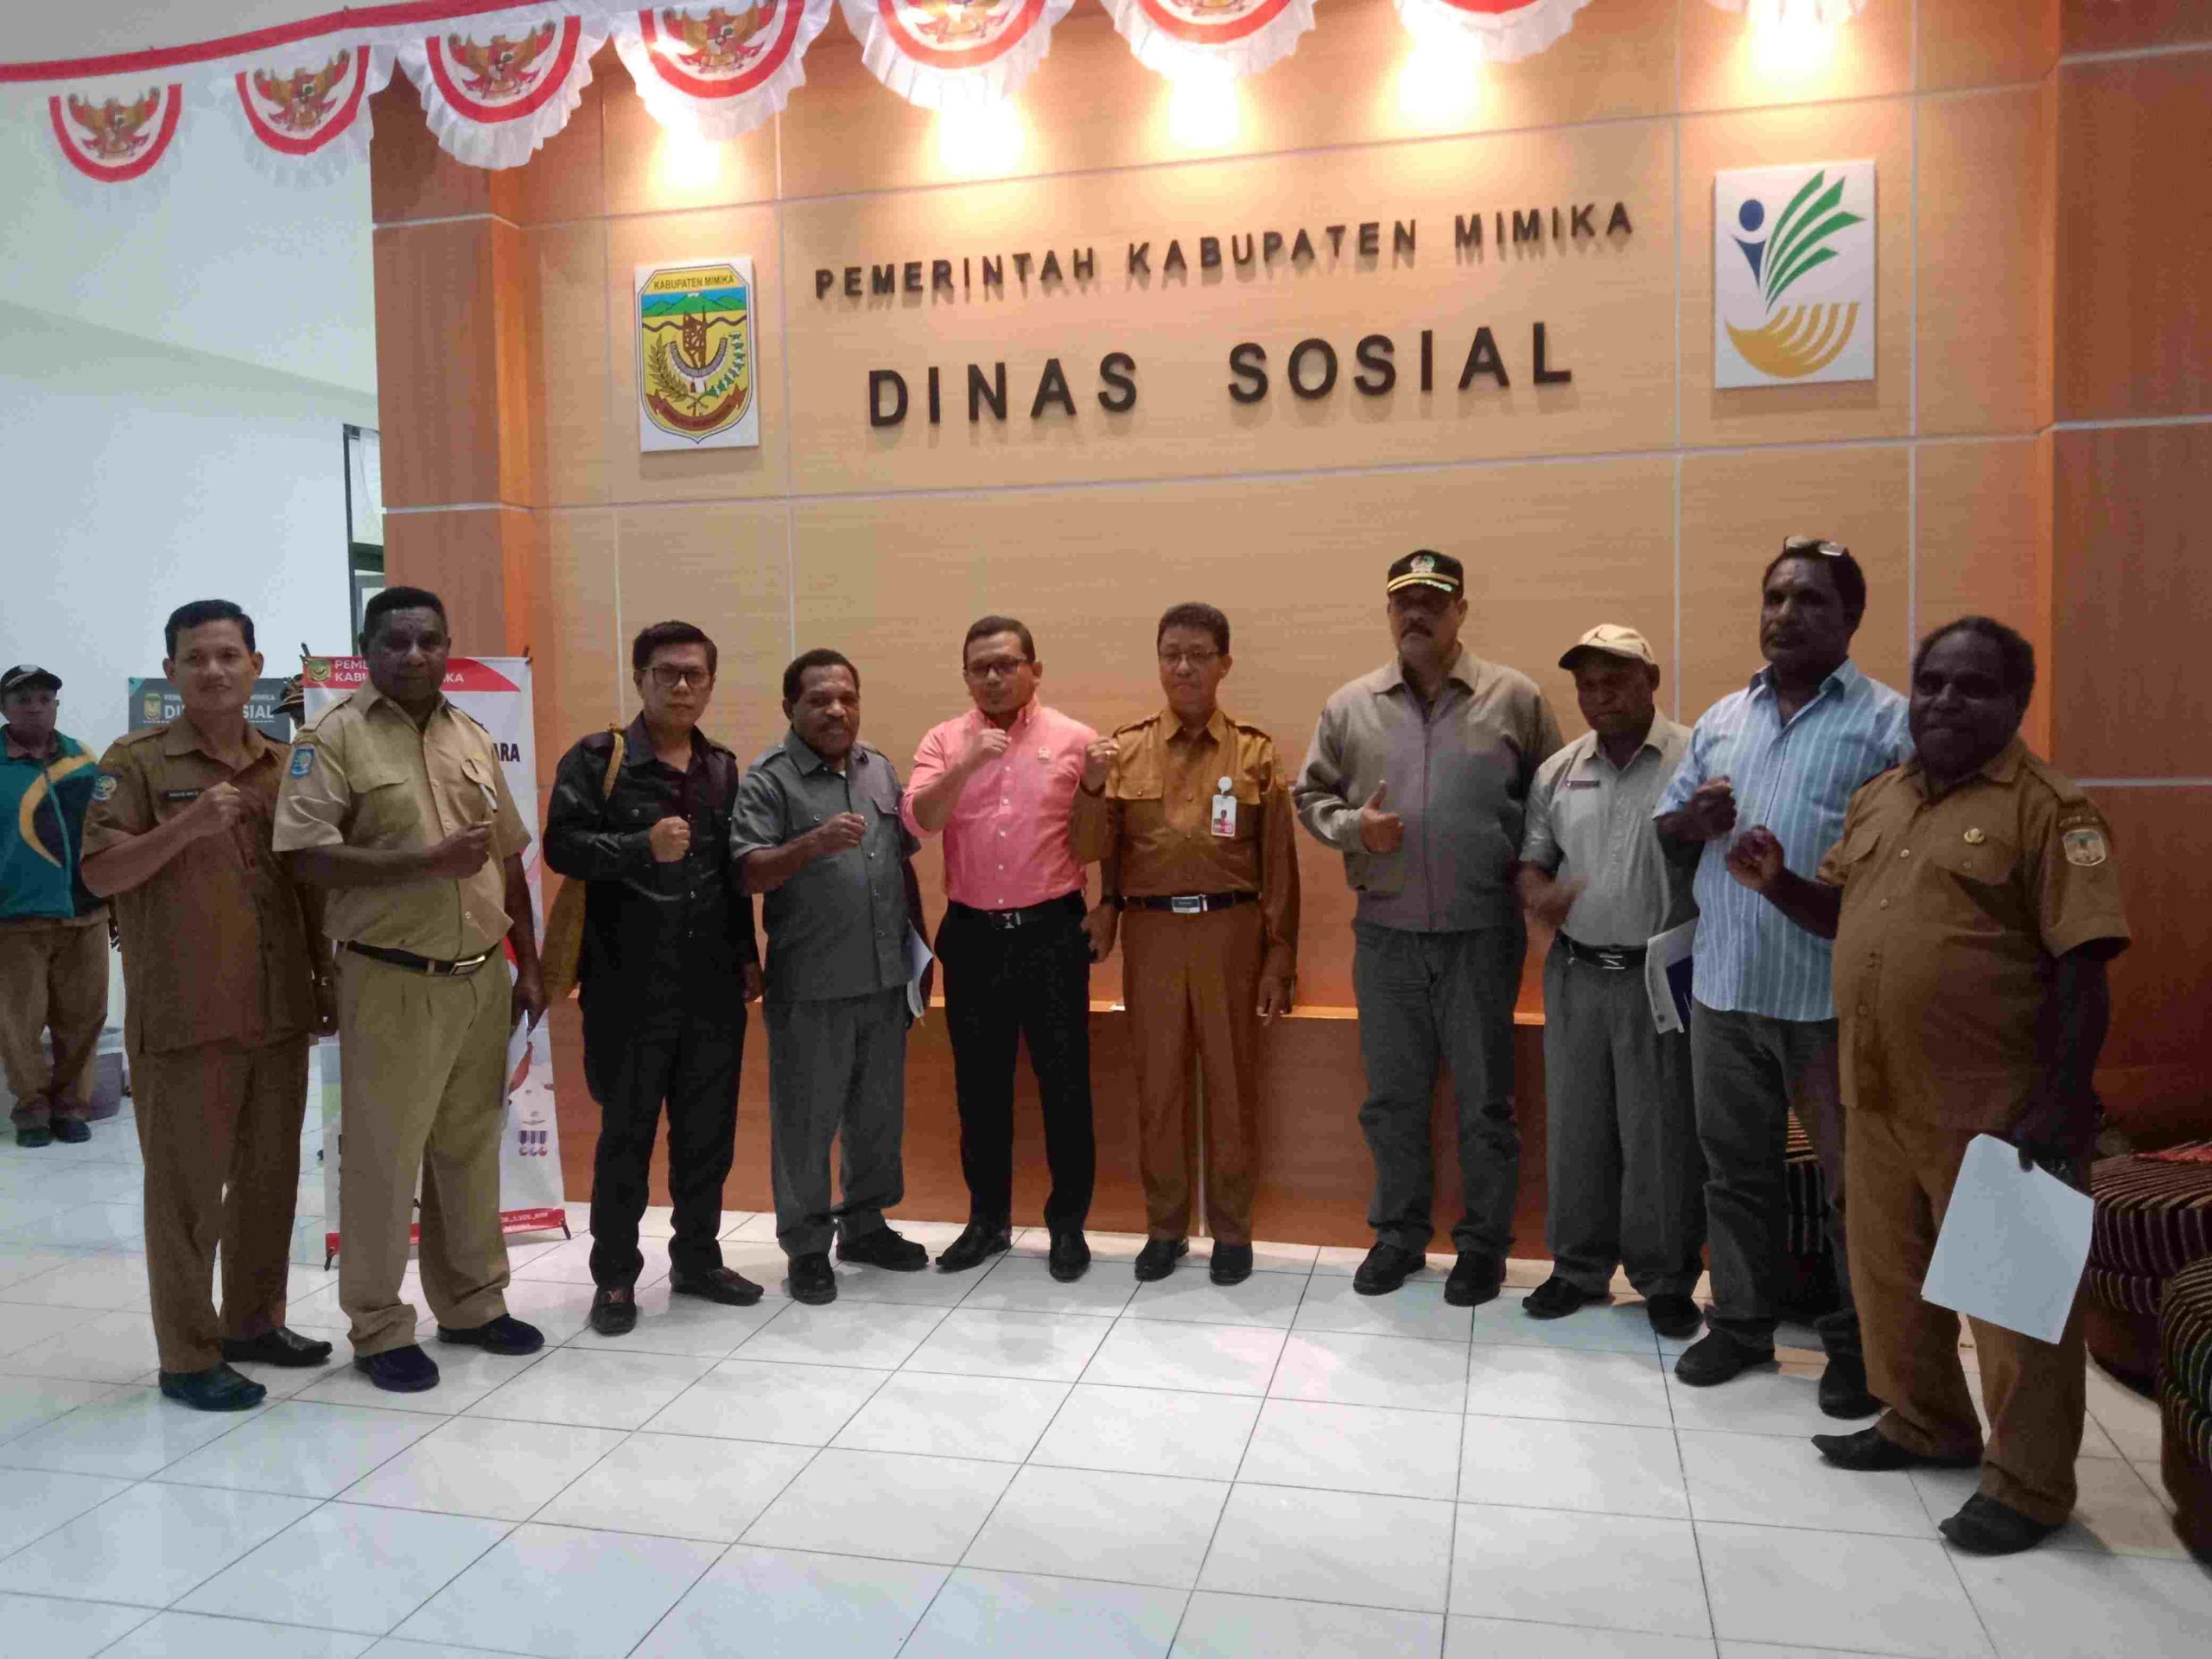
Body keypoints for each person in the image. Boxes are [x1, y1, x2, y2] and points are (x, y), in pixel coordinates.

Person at [1724, 615, 2128, 1555]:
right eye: (1933, 683)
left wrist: (2063, 1103)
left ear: (2016, 701)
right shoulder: (1882, 798)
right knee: (1889, 1282)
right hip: (1874, 1094)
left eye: (1973, 686)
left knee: (2014, 1310)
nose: (1946, 701)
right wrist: (1779, 884)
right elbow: (1844, 914)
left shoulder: (2052, 812)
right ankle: (1923, 1423)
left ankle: (2028, 1486)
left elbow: (2085, 966)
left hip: (1997, 1107)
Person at [1654, 538, 1909, 1416]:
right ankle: (1740, 1324)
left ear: (1851, 617)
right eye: (1774, 597)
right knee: (1733, 1174)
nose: (1785, 615)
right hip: (1724, 991)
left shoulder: (1888, 725)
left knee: (1854, 1189)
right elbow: (1670, 828)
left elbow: (1902, 869)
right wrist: (1694, 819)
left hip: (1829, 1002)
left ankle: (1859, 1348)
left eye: (1809, 600)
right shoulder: (1724, 716)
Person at [273, 586, 546, 1393]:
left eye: (430, 640)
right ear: (368, 649)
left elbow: (506, 858)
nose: (415, 655)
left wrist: (528, 963)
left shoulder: (471, 734)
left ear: (448, 647)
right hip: (390, 976)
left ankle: (471, 1303)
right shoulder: (332, 738)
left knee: (468, 1151)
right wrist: (422, 864)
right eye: (396, 642)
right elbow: (304, 857)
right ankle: (379, 1326)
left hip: (479, 976)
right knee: (383, 1163)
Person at [78, 601, 336, 1411]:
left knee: (268, 1185)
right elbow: (101, 873)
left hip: (278, 1009)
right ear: (172, 672)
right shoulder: (137, 762)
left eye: (229, 655)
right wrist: (188, 825)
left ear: (256, 666)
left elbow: (305, 885)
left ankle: (252, 1324)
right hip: (187, 1015)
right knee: (187, 1198)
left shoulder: (284, 763)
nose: (214, 671)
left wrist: (324, 982)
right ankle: (188, 1357)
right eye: (196, 658)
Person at [1294, 550, 1563, 1304]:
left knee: (1485, 1101)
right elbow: (1309, 798)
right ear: (1389, 612)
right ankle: (1399, 1236)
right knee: (1392, 1099)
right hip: (1386, 937)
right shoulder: (1350, 705)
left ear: (1460, 610)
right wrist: (1355, 828)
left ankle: (1483, 1246)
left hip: (1483, 935)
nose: (1417, 614)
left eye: (1433, 601)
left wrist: (1536, 881)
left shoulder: (1514, 698)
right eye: (1403, 602)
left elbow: (1553, 801)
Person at [544, 620, 764, 1339]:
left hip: (712, 987)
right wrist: (641, 845)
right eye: (667, 673)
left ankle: (697, 1260)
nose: (682, 686)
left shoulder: (722, 768)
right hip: (626, 985)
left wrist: (748, 957)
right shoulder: (598, 759)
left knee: (707, 1138)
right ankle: (615, 1276)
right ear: (639, 678)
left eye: (695, 674)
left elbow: (732, 875)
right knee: (626, 1139)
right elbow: (561, 847)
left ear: (710, 683)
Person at [1072, 603, 1300, 1284]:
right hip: (1152, 934)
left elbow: (1279, 863)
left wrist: (1280, 952)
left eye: (1199, 654)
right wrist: (1090, 788)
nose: (1183, 667)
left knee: (1232, 1084)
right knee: (1159, 1085)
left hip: (1232, 932)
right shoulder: (1125, 750)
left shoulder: (1255, 752)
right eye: (1171, 653)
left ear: (1224, 664)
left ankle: (1231, 1232)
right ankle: (1165, 1228)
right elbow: (1091, 847)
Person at [1516, 626, 1704, 1338]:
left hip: (1664, 973)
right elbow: (1533, 863)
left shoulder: (1696, 757)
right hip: (1577, 972)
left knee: (1661, 1131)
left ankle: (1666, 1280)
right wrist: (1539, 896)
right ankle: (1577, 1268)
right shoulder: (1559, 770)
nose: (1599, 696)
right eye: (1587, 685)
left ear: (1651, 680)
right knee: (1577, 1126)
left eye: (1616, 680)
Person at [732, 649, 932, 1306]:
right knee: (807, 1123)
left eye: (847, 698)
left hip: (883, 979)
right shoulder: (770, 779)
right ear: (790, 708)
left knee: (876, 1117)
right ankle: (808, 1246)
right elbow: (747, 873)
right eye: (819, 700)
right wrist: (809, 845)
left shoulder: (879, 768)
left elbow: (900, 865)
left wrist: (919, 954)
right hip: (811, 985)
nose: (836, 710)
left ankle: (866, 1228)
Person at [903, 617, 1097, 1282]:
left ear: (1034, 670)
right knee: (979, 1089)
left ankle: (1067, 1225)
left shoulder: (1076, 740)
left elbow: (1098, 836)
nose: (993, 676)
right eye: (979, 667)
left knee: (1065, 1086)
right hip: (974, 936)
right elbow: (922, 819)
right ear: (965, 676)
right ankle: (987, 1221)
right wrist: (968, 763)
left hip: (1052, 932)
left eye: (1007, 663)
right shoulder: (943, 741)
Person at [0, 664, 109, 1149]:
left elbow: (104, 831)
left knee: (83, 1020)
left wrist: (114, 898)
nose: (36, 707)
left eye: (45, 699)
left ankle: (71, 1108)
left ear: (57, 705)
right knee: (18, 1025)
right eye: (23, 699)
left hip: (86, 913)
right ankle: (32, 1111)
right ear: (4, 708)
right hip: (15, 918)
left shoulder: (83, 760)